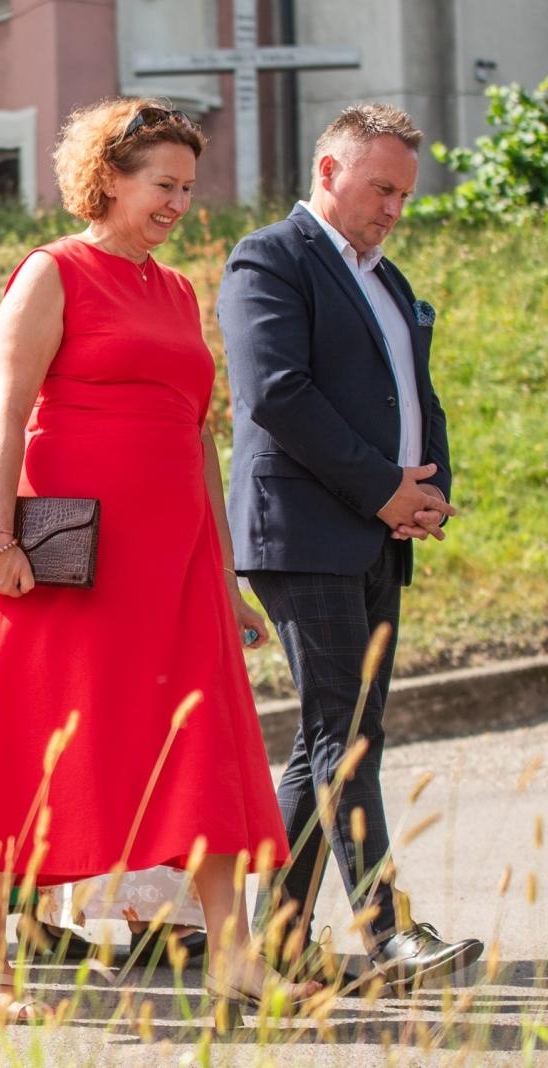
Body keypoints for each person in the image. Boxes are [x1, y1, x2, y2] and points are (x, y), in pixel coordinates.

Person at [0, 99, 318, 1022]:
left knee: (204, 741)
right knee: (27, 740)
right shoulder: (51, 273)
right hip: (71, 559)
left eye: (189, 186)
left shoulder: (178, 290)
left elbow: (200, 440)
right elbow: (3, 415)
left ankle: (234, 957)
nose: (180, 202)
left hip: (175, 560)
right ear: (108, 177)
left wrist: (224, 577)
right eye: (163, 184)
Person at [218, 103, 482, 988]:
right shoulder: (271, 259)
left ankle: (281, 941)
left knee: (335, 735)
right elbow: (278, 395)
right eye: (381, 188)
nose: (394, 208)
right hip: (301, 530)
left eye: (405, 194)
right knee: (348, 736)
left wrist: (426, 490)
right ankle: (388, 932)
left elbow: (415, 388)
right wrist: (382, 487)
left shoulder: (388, 277)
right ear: (329, 170)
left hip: (373, 529)